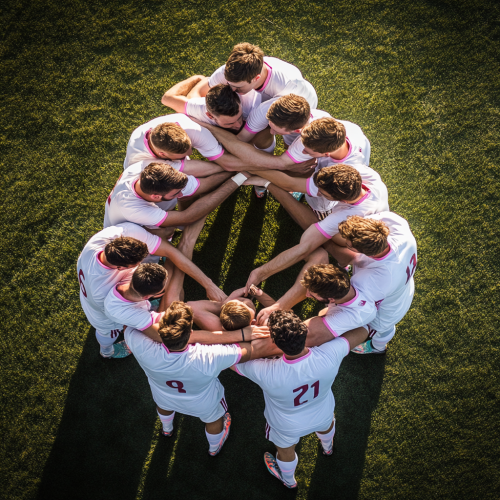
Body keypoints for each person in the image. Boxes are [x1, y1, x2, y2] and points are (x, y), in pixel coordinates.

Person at [233, 310, 369, 488]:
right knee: (327, 426)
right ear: (306, 331)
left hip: (286, 426)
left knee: (285, 451)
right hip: (323, 412)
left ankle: (289, 481)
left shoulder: (265, 371)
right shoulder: (329, 354)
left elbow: (230, 360)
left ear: (273, 343)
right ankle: (327, 448)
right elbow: (363, 330)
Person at [124, 301, 266, 456]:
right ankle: (214, 448)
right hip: (203, 403)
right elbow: (247, 351)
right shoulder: (208, 356)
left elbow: (131, 326)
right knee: (214, 419)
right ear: (191, 333)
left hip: (162, 395)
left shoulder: (140, 344)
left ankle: (167, 430)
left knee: (164, 407)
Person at [77, 222, 225, 359]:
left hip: (106, 294)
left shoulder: (108, 237)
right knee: (107, 332)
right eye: (137, 264)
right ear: (121, 268)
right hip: (100, 313)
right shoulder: (107, 298)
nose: (140, 264)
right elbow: (156, 334)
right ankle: (107, 351)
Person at [244, 163, 389, 291]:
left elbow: (304, 248)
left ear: (342, 200)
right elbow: (292, 183)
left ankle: (344, 259)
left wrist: (261, 272)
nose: (317, 193)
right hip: (373, 230)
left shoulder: (346, 216)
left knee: (321, 236)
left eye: (322, 193)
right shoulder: (365, 174)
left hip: (361, 245)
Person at [337, 213, 418, 354]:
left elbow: (355, 300)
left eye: (348, 246)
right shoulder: (398, 226)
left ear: (363, 252)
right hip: (403, 288)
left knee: (382, 329)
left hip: (388, 311)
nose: (345, 244)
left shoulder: (375, 280)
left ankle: (377, 348)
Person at [104, 161, 250, 231]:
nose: (180, 194)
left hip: (133, 214)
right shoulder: (134, 209)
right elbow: (187, 217)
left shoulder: (144, 168)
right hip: (126, 236)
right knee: (166, 233)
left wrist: (239, 166)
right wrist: (240, 177)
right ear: (155, 197)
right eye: (175, 193)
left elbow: (203, 185)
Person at [162, 76, 261, 132]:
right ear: (209, 115)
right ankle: (203, 81)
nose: (239, 125)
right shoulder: (199, 107)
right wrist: (195, 79)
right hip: (209, 86)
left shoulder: (253, 107)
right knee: (192, 98)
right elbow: (166, 99)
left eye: (239, 117)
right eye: (229, 123)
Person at [104, 262, 169, 342]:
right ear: (146, 297)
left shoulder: (134, 275)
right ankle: (108, 351)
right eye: (160, 292)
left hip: (136, 311)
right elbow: (158, 336)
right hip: (118, 323)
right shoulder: (129, 313)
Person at [187, 284, 275, 331]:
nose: (245, 301)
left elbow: (191, 307)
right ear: (251, 321)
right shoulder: (260, 326)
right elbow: (279, 309)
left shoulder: (224, 329)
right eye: (248, 305)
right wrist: (255, 291)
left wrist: (224, 303)